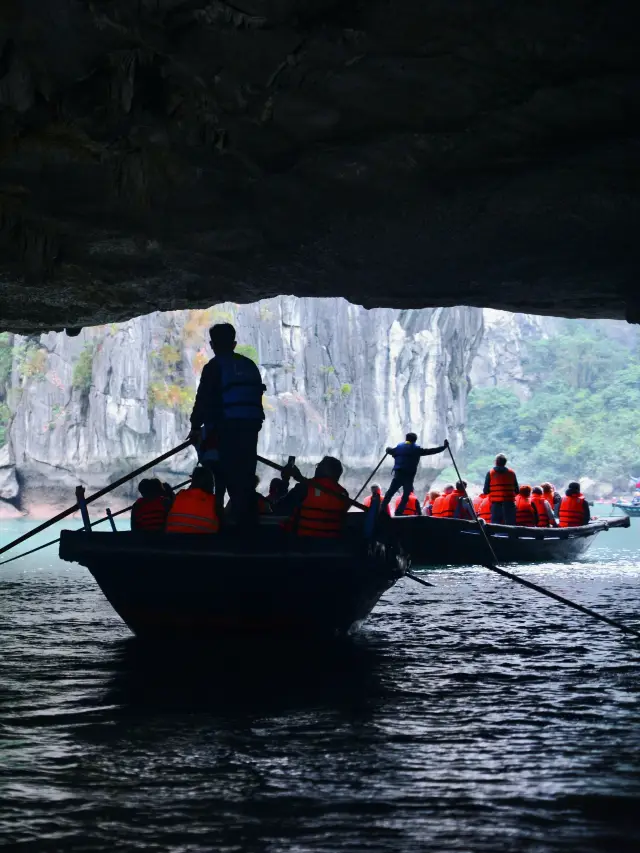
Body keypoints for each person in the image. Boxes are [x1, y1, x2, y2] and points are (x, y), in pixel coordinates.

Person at [188, 323, 266, 524]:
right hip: (250, 431)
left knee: (219, 478)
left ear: (213, 345)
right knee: (245, 480)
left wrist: (196, 427)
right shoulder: (250, 366)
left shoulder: (214, 367)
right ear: (234, 343)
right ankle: (247, 529)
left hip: (224, 430)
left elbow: (203, 400)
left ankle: (218, 525)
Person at [278, 456, 350, 538]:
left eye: (318, 466)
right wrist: (301, 479)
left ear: (321, 470)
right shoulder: (344, 494)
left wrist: (285, 481)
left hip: (302, 544)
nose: (316, 468)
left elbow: (279, 508)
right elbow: (322, 490)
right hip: (332, 545)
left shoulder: (304, 488)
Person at [381, 433, 447, 516]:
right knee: (406, 496)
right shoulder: (416, 449)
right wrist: (443, 447)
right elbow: (431, 451)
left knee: (389, 493)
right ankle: (398, 512)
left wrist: (387, 449)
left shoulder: (398, 448)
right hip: (408, 477)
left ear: (406, 439)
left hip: (398, 475)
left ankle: (382, 509)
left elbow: (389, 450)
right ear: (415, 440)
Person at [166, 466, 219, 533]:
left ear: (193, 481)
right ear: (211, 483)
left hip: (174, 541)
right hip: (205, 542)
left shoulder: (180, 495)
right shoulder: (215, 502)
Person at [483, 454, 519, 525]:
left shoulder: (490, 473)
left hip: (496, 504)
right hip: (509, 503)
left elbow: (485, 491)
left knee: (495, 525)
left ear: (496, 462)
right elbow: (517, 490)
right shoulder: (512, 473)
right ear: (505, 463)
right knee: (511, 525)